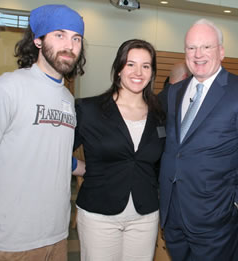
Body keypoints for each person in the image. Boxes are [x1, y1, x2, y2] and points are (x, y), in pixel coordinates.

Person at [159, 18, 238, 261]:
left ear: (221, 51)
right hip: (173, 214)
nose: (198, 54)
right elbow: (176, 147)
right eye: (191, 47)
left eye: (206, 47)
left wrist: (237, 205)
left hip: (216, 218)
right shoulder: (175, 91)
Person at [0, 4, 85, 261]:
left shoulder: (68, 99)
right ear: (37, 40)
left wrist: (85, 166)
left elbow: (47, 151)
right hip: (14, 239)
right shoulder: (8, 88)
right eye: (59, 35)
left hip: (57, 234)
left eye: (76, 38)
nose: (69, 45)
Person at [73, 39, 166, 261]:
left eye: (146, 66)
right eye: (130, 64)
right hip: (99, 214)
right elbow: (58, 153)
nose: (138, 72)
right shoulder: (89, 109)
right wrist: (86, 169)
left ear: (152, 72)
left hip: (145, 215)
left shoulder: (160, 115)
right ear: (118, 69)